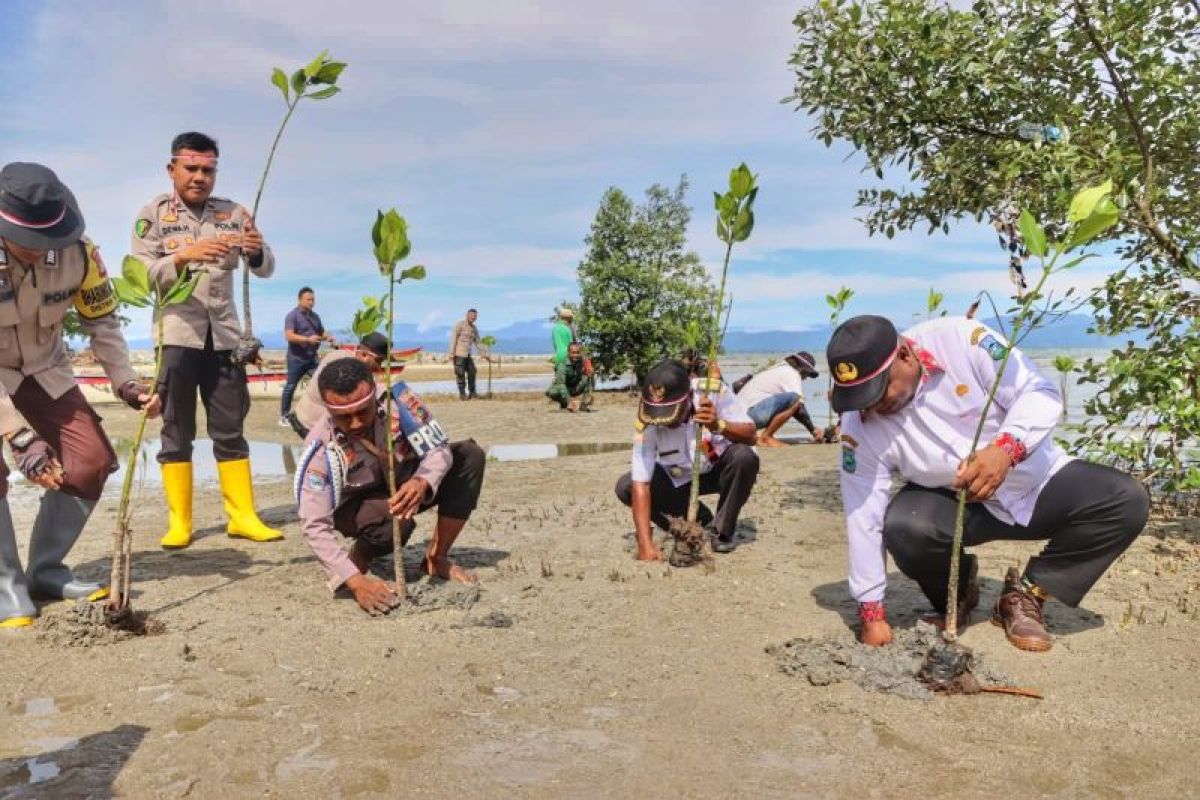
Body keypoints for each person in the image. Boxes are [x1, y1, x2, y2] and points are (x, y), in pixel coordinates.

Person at [830, 315, 1149, 652]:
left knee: (1126, 501)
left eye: (880, 391)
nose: (872, 405)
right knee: (905, 527)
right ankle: (958, 592)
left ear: (905, 356)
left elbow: (1038, 392)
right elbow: (862, 512)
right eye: (860, 397)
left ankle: (1026, 594)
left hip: (1036, 481)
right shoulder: (859, 423)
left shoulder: (963, 340)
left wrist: (1006, 449)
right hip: (957, 502)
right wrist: (871, 612)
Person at [0, 162, 159, 628]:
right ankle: (6, 584)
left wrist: (125, 381)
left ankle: (46, 572)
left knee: (90, 459)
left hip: (44, 368)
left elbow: (103, 323)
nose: (40, 252)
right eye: (28, 243)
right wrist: (21, 437)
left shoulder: (82, 254)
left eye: (48, 242)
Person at [130, 131, 281, 550]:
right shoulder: (152, 215)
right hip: (176, 337)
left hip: (226, 338)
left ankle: (243, 517)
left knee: (230, 428)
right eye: (191, 168)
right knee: (176, 431)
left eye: (208, 170)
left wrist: (254, 251)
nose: (200, 177)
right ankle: (180, 523)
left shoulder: (233, 212)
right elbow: (139, 275)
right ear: (172, 168)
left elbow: (266, 265)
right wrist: (182, 257)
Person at [295, 357, 487, 615]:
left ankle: (435, 559)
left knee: (469, 456)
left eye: (362, 412)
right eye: (343, 417)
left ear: (374, 396)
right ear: (329, 412)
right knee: (396, 521)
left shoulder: (400, 403)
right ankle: (362, 553)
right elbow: (314, 524)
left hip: (406, 485)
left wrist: (422, 481)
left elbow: (438, 449)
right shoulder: (320, 447)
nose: (355, 424)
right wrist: (356, 582)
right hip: (358, 507)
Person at [615, 359, 759, 556]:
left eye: (670, 413)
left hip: (718, 469)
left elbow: (752, 435)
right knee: (626, 487)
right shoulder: (647, 417)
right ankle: (691, 523)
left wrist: (719, 425)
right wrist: (645, 545)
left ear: (690, 396)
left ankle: (722, 531)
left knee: (744, 457)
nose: (664, 421)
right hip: (678, 478)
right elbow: (641, 483)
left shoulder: (714, 392)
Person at [288, 332, 390, 438]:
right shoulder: (342, 364)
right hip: (310, 422)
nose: (379, 366)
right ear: (364, 354)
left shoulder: (346, 358)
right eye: (378, 361)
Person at [736, 351, 824, 447]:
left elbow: (791, 409)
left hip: (739, 418)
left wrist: (812, 427)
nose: (805, 378)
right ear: (802, 369)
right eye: (806, 375)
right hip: (751, 415)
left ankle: (762, 436)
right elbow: (798, 406)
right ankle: (766, 437)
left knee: (793, 401)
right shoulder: (792, 374)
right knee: (795, 399)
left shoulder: (778, 369)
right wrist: (813, 430)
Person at [279, 286, 334, 426]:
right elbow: (289, 336)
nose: (311, 302)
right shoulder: (292, 316)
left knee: (323, 381)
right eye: (308, 299)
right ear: (300, 300)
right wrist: (308, 339)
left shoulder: (315, 317)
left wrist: (328, 337)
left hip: (312, 358)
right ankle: (284, 416)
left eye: (313, 299)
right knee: (290, 386)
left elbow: (321, 332)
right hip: (296, 359)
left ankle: (327, 412)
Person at [545, 341, 593, 412]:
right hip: (563, 390)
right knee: (551, 391)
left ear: (580, 353)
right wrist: (569, 402)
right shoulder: (562, 365)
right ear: (568, 353)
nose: (575, 355)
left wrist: (589, 370)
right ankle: (565, 404)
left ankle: (584, 405)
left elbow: (589, 369)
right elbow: (561, 384)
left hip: (575, 387)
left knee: (587, 378)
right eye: (573, 352)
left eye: (577, 352)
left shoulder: (582, 360)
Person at [449, 308, 484, 400]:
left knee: (472, 371)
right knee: (460, 374)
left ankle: (472, 393)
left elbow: (478, 342)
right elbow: (453, 339)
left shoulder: (474, 328)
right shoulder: (459, 325)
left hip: (468, 354)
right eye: (472, 315)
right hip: (459, 354)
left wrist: (483, 353)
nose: (473, 317)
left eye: (475, 316)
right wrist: (451, 353)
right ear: (467, 315)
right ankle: (462, 395)